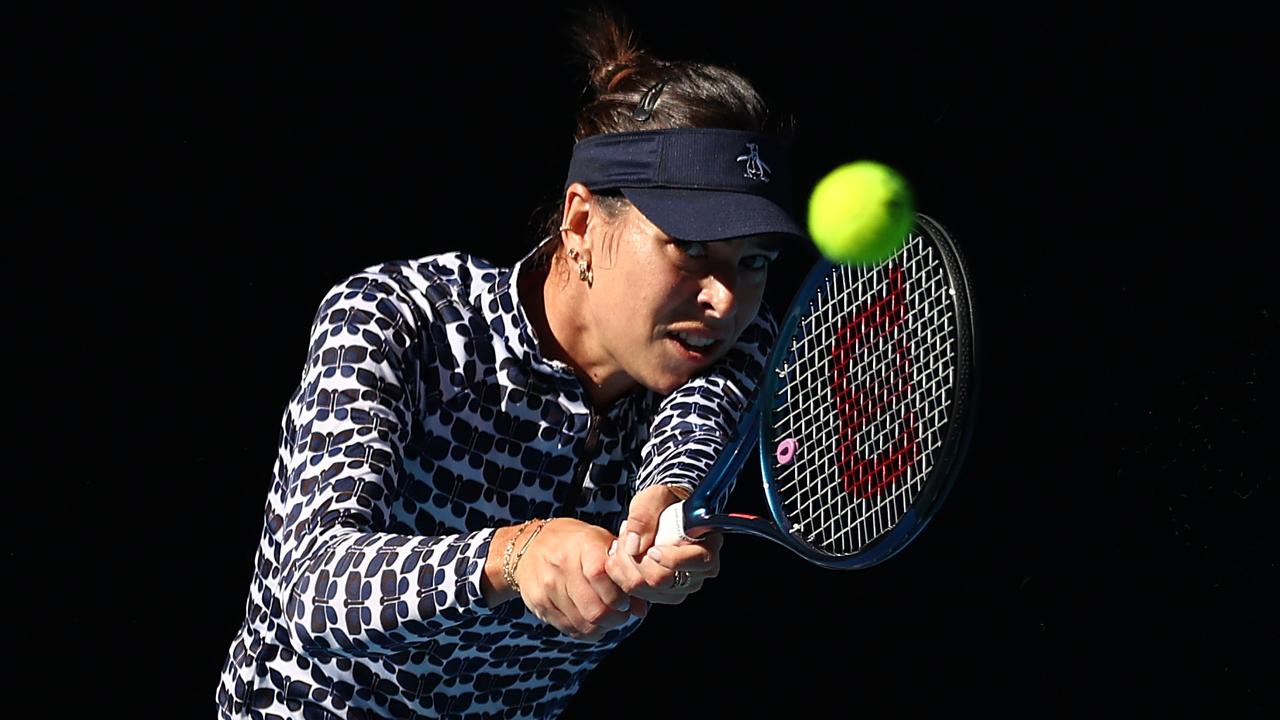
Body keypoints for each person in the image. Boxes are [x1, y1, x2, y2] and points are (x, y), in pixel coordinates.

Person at [216, 8, 807, 719]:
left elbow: (697, 422)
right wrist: (513, 555)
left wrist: (671, 495)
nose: (725, 298)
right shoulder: (399, 317)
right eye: (691, 249)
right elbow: (312, 585)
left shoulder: (729, 348)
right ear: (583, 223)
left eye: (754, 262)